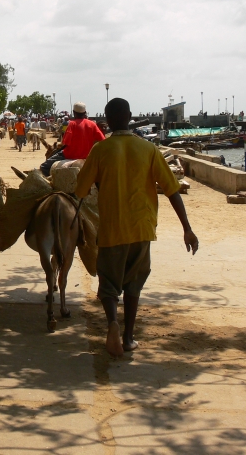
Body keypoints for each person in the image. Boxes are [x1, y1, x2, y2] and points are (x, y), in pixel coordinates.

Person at [75, 98, 199, 358]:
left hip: (112, 229)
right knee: (134, 284)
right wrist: (187, 228)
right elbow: (172, 191)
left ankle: (112, 322)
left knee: (108, 285)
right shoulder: (149, 149)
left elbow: (81, 190)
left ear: (107, 120)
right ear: (130, 116)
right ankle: (129, 337)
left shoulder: (100, 150)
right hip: (142, 229)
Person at [41, 102, 105, 175]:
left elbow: (65, 143)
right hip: (87, 156)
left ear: (74, 112)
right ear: (85, 113)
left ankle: (50, 180)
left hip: (69, 155)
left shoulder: (72, 124)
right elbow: (102, 140)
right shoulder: (92, 124)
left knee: (44, 166)